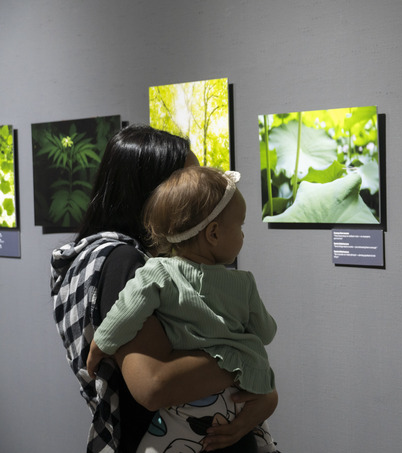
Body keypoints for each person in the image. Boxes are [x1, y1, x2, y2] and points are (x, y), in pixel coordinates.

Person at [51, 124, 277, 453]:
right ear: (161, 195)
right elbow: (156, 384)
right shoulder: (124, 263)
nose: (200, 194)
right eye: (190, 184)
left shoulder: (113, 259)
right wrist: (248, 355)